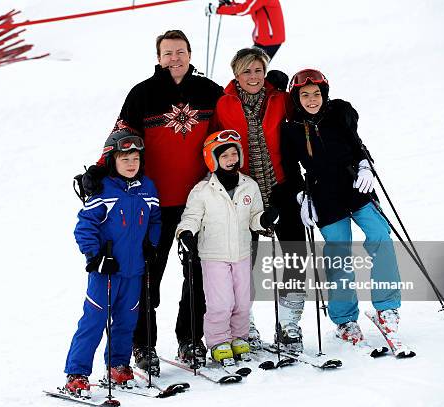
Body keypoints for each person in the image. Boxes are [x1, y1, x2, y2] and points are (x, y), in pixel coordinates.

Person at [81, 30, 225, 373]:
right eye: (167, 53)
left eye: (180, 52)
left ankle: (190, 339)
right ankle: (143, 344)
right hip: (153, 204)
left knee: (198, 275)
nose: (174, 58)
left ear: (190, 54)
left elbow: (228, 131)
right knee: (148, 276)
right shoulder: (142, 94)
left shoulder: (208, 91)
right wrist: (99, 170)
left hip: (197, 202)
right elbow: (121, 136)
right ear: (158, 57)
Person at [280, 68, 402, 345]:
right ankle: (345, 319)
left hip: (356, 185)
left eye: (316, 94)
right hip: (324, 194)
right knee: (339, 252)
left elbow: (357, 143)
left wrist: (365, 165)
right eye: (305, 95)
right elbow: (290, 168)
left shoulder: (340, 112)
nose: (312, 99)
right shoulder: (291, 129)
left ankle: (387, 307)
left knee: (380, 235)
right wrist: (302, 196)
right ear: (296, 99)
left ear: (325, 94)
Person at [212, 47, 306, 353]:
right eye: (246, 71)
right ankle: (244, 324)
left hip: (282, 186)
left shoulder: (281, 99)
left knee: (294, 255)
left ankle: (290, 322)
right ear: (236, 74)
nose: (253, 77)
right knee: (243, 262)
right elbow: (215, 145)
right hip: (244, 193)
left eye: (258, 70)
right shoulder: (224, 104)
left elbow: (309, 114)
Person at [64, 129, 161, 394]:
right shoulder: (104, 189)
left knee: (126, 322)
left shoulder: (147, 188)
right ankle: (77, 372)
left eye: (135, 159)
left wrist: (151, 245)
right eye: (124, 159)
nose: (131, 164)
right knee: (94, 321)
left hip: (134, 271)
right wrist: (95, 257)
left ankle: (118, 366)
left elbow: (154, 220)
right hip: (106, 270)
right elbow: (84, 226)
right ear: (112, 161)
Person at [176, 130, 279, 364]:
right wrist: (186, 233)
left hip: (242, 253)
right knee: (220, 302)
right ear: (212, 159)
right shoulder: (202, 190)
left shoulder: (249, 186)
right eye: (224, 156)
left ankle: (238, 336)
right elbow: (191, 217)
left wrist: (263, 219)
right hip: (213, 256)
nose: (231, 159)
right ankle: (219, 340)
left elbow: (254, 217)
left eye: (234, 154)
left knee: (243, 300)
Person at [207, 0, 285, 60]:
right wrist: (229, 4)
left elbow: (244, 9)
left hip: (270, 40)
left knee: (250, 69)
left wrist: (218, 10)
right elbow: (247, 6)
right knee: (249, 68)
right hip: (264, 39)